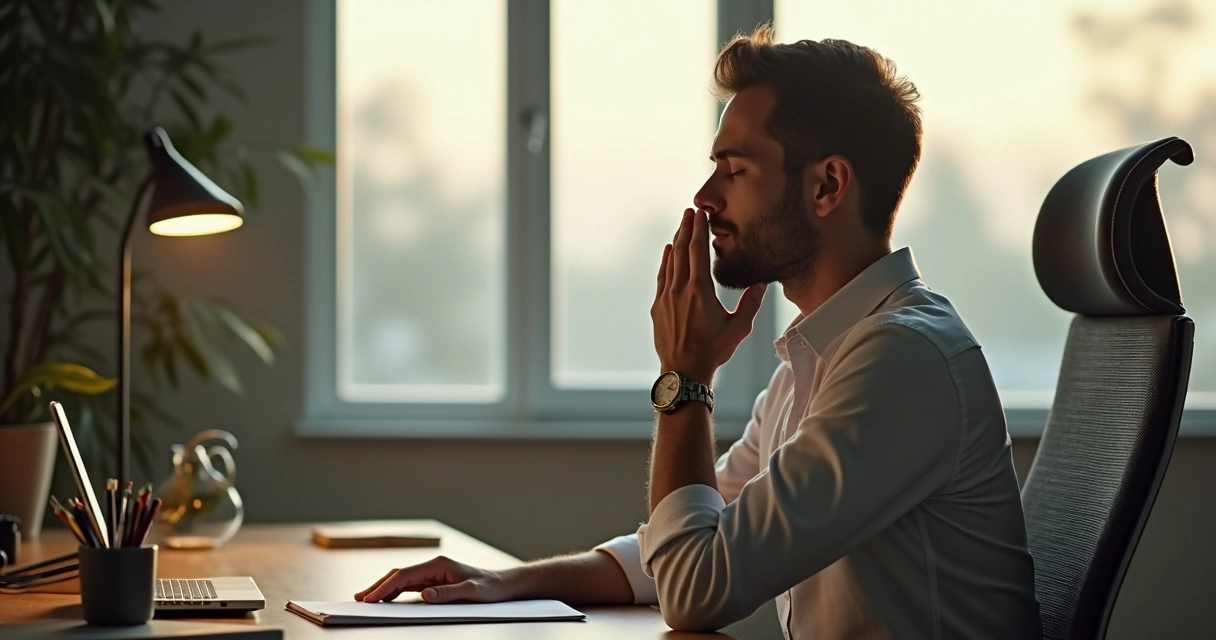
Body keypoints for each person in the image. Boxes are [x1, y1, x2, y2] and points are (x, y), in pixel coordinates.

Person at [356, 25, 1042, 639]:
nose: (706, 197)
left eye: (735, 169)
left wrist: (685, 380)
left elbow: (694, 588)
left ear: (827, 186)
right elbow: (682, 547)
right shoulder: (822, 358)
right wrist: (505, 583)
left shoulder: (901, 359)